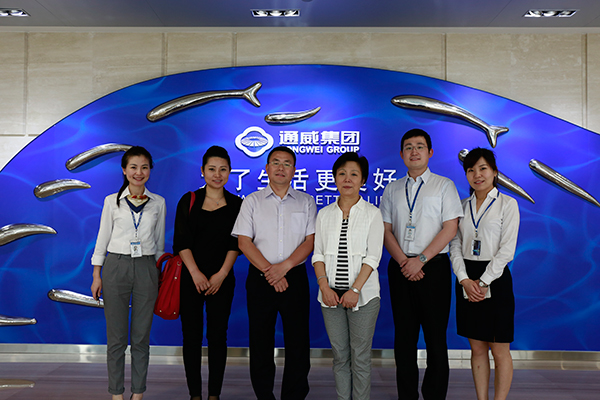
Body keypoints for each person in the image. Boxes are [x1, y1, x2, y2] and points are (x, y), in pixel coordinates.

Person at [380, 128, 463, 400]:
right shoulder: (392, 189)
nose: (413, 151)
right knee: (404, 338)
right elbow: (385, 230)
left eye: (419, 146)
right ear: (401, 154)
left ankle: (434, 395)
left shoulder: (444, 185)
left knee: (435, 338)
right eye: (408, 147)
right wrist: (405, 262)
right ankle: (407, 395)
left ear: (430, 152)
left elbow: (450, 227)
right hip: (401, 267)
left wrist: (421, 260)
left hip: (434, 268)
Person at [232, 146, 317, 400]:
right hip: (261, 279)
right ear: (267, 168)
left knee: (298, 342)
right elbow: (244, 242)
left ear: (294, 170)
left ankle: (294, 395)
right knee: (260, 342)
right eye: (276, 162)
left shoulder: (306, 201)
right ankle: (264, 395)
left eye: (287, 163)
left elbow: (311, 241)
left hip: (295, 278)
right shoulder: (252, 201)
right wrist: (271, 272)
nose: (281, 167)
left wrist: (284, 267)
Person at [91, 146, 166, 400]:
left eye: (144, 167)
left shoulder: (158, 203)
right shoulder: (111, 201)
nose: (139, 172)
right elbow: (102, 239)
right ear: (124, 170)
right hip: (116, 267)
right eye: (133, 167)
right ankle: (116, 393)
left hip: (147, 268)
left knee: (141, 337)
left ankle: (138, 393)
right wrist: (97, 275)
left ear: (150, 170)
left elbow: (159, 243)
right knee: (116, 338)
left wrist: (158, 274)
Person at [312, 152, 384, 400]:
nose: (347, 179)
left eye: (354, 174)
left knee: (360, 357)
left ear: (363, 180)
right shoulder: (324, 214)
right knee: (340, 356)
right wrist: (324, 287)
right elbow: (318, 255)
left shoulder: (372, 213)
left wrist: (354, 290)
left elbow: (373, 257)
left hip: (363, 298)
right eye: (342, 173)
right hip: (330, 297)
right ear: (334, 178)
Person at [173, 146, 243, 400]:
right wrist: (195, 273)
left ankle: (214, 395)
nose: (217, 174)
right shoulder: (189, 200)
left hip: (222, 280)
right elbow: (181, 241)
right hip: (191, 278)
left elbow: (237, 243)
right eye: (212, 169)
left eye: (223, 169)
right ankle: (195, 395)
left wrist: (221, 274)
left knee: (217, 337)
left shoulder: (237, 204)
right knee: (191, 337)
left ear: (229, 172)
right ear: (202, 171)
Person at [449, 147, 519, 400]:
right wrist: (464, 279)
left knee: (499, 350)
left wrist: (484, 281)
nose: (477, 175)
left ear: (494, 172)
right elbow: (454, 244)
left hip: (495, 278)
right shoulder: (462, 206)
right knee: (477, 348)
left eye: (483, 168)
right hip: (467, 278)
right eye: (471, 170)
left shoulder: (507, 204)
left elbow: (507, 250)